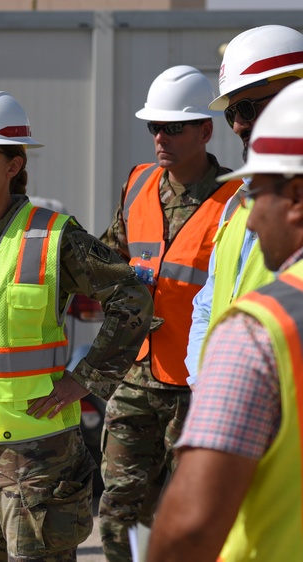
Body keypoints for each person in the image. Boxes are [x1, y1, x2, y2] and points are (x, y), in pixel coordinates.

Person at [0, 87, 153, 560]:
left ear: (13, 165)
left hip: (38, 454)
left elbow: (133, 298)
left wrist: (85, 381)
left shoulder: (55, 236)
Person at [147, 79, 303, 562]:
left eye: (257, 194)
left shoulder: (260, 331)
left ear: (296, 197)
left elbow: (191, 527)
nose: (251, 219)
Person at [96, 65, 241, 561]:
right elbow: (108, 256)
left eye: (173, 127)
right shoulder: (137, 184)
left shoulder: (236, 198)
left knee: (193, 513)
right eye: (154, 127)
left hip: (199, 383)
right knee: (119, 509)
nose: (161, 137)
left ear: (205, 130)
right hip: (136, 375)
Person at [185, 25, 303, 386]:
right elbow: (208, 305)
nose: (237, 125)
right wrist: (207, 385)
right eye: (231, 112)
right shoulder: (237, 203)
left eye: (248, 107)